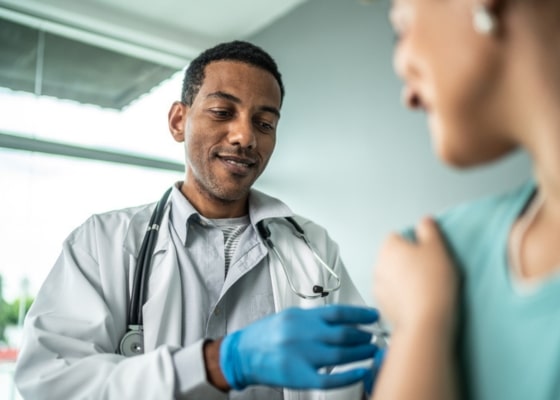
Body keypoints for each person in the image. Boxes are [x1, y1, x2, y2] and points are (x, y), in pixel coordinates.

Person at [14, 40, 384, 400]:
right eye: (223, 112)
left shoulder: (312, 247)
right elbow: (50, 381)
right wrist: (215, 365)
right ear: (179, 121)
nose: (245, 136)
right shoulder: (102, 242)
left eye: (265, 123)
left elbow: (357, 362)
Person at [371, 0, 560, 399]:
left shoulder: (427, 279)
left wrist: (420, 334)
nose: (405, 89)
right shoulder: (439, 253)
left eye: (401, 27)